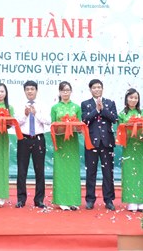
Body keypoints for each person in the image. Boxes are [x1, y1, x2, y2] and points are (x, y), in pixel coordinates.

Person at [81, 79, 118, 211]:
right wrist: (96, 110)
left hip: (107, 142)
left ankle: (109, 200)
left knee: (108, 172)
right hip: (91, 142)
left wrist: (103, 110)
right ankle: (90, 199)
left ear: (102, 88)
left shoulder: (110, 103)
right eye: (94, 87)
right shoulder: (85, 104)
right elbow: (85, 120)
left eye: (99, 87)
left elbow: (114, 119)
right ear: (90, 90)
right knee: (91, 172)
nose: (97, 89)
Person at [15, 80, 49, 209]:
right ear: (24, 91)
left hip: (38, 139)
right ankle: (21, 199)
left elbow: (48, 121)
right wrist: (25, 115)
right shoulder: (19, 104)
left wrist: (36, 114)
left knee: (39, 170)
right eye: (27, 89)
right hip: (23, 138)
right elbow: (16, 122)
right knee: (21, 170)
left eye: (32, 89)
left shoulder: (42, 104)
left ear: (36, 90)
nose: (30, 91)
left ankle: (39, 200)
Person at [51, 81, 82, 210]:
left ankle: (73, 200)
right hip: (60, 143)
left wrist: (73, 126)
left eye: (67, 90)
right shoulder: (55, 108)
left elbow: (80, 128)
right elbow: (52, 126)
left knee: (72, 171)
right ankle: (61, 200)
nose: (65, 92)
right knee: (61, 171)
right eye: (63, 90)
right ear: (59, 92)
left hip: (72, 143)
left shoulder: (77, 107)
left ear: (71, 91)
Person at [118, 88, 143, 212]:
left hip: (142, 145)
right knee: (130, 171)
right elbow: (120, 131)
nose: (133, 100)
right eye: (131, 97)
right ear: (126, 99)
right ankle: (131, 200)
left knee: (142, 171)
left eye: (136, 98)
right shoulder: (122, 114)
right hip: (129, 146)